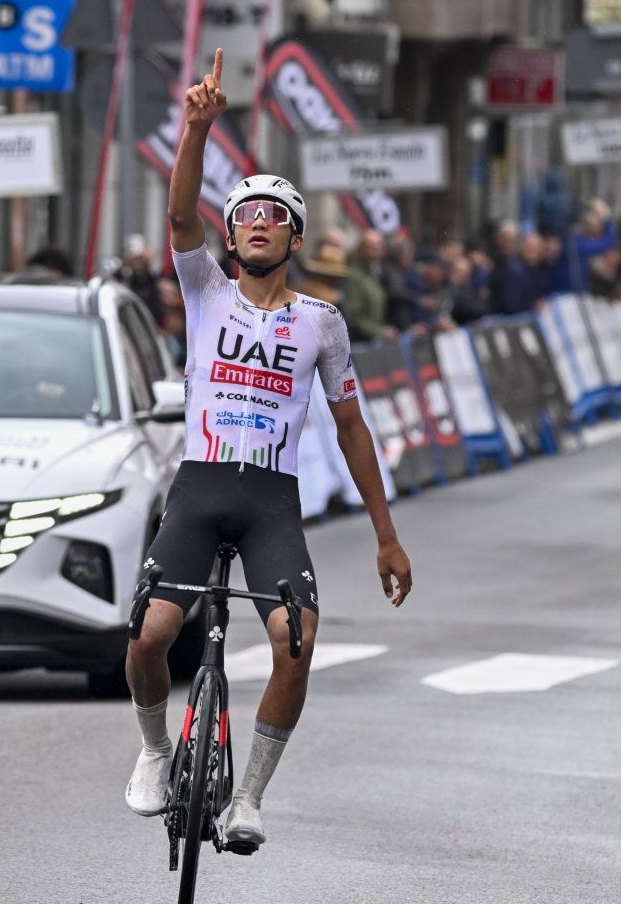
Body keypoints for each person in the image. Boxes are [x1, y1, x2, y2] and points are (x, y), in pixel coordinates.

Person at [124, 48, 413, 847]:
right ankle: (153, 753)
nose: (257, 222)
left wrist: (386, 535)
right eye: (245, 214)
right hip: (202, 485)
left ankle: (247, 797)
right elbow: (181, 214)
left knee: (298, 642)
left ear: (292, 237)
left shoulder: (321, 320)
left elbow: (351, 425)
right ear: (230, 233)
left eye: (273, 216)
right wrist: (197, 129)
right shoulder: (205, 292)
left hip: (269, 500)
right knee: (149, 636)